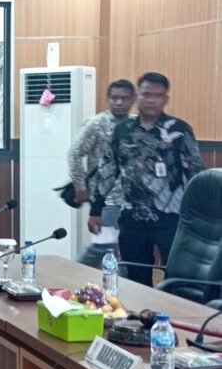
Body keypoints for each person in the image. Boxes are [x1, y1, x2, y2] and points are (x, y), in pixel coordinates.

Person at [89, 72, 205, 287]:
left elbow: (196, 174)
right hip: (132, 218)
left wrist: (201, 216)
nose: (151, 100)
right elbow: (107, 172)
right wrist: (96, 210)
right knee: (136, 279)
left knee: (177, 278)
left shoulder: (179, 131)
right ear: (137, 96)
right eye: (146, 94)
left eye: (157, 95)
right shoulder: (122, 131)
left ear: (165, 99)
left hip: (171, 219)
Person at [67, 79, 135, 269]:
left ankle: (120, 283)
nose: (119, 102)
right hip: (106, 198)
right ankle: (71, 275)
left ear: (133, 100)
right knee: (102, 246)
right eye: (114, 98)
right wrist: (80, 186)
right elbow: (74, 154)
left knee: (123, 249)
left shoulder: (136, 124)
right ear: (108, 99)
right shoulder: (97, 124)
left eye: (124, 98)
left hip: (132, 200)